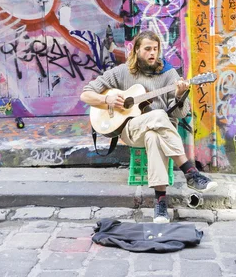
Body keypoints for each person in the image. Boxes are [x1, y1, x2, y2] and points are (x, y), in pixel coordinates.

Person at [80, 30, 217, 223]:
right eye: (147, 49)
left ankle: (160, 203)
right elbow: (85, 94)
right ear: (136, 50)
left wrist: (179, 95)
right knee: (159, 116)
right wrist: (107, 98)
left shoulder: (169, 74)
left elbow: (180, 114)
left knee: (154, 135)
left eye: (155, 49)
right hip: (131, 130)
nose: (152, 53)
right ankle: (190, 172)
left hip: (160, 131)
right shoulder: (122, 72)